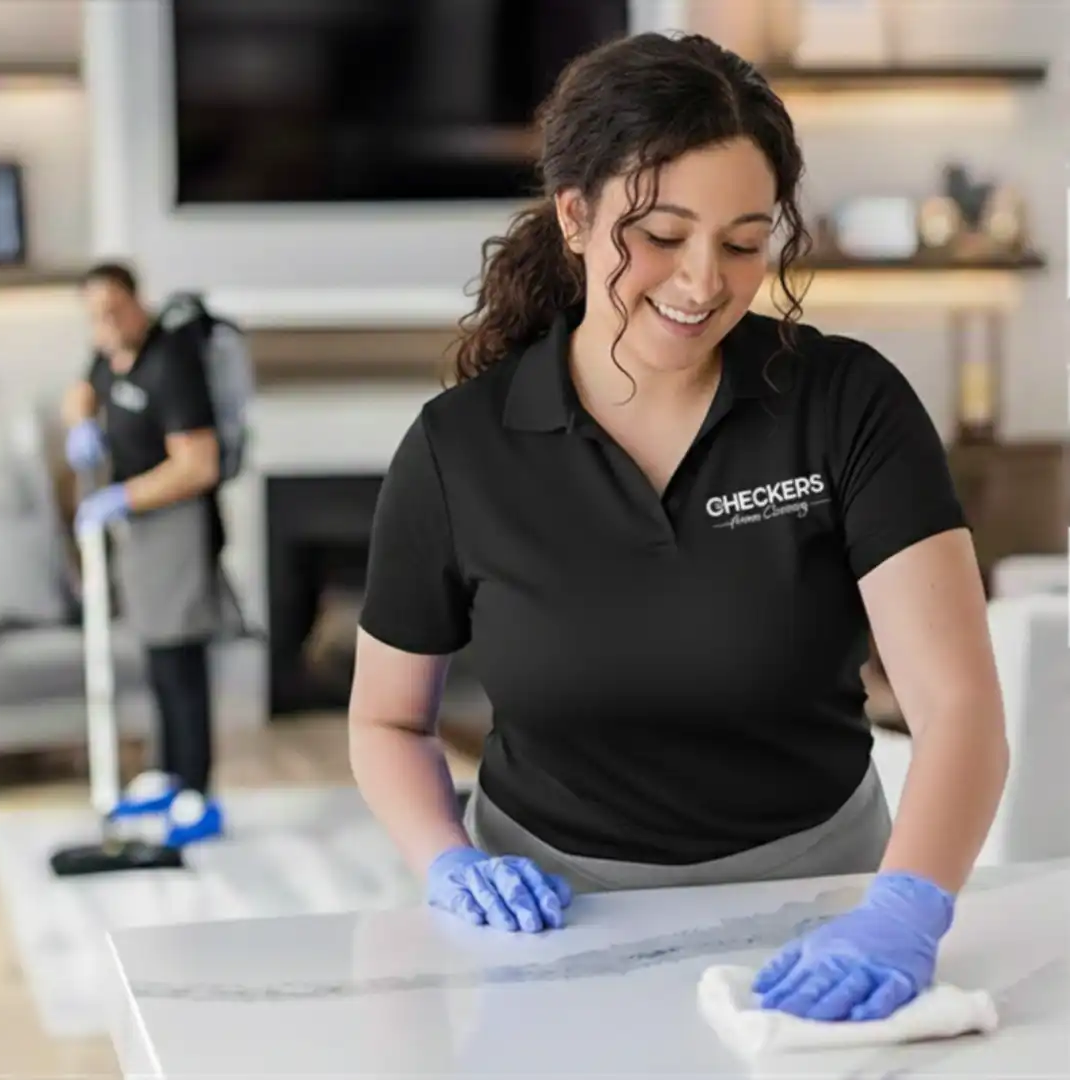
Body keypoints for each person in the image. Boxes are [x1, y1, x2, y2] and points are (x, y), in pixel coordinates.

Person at [347, 31, 1009, 1025]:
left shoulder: (844, 404)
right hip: (548, 929)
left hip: (823, 906)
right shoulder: (459, 450)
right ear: (574, 215)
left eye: (744, 242)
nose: (702, 281)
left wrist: (904, 908)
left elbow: (957, 711)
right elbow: (385, 720)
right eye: (659, 234)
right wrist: (444, 858)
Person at [61, 261, 229, 847]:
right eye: (94, 317)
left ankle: (198, 793)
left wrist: (120, 497)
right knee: (157, 653)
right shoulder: (109, 355)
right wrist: (80, 423)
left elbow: (199, 464)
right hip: (138, 523)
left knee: (182, 656)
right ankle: (171, 772)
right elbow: (82, 393)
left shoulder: (170, 362)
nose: (104, 324)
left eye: (113, 310)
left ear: (138, 302)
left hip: (178, 523)